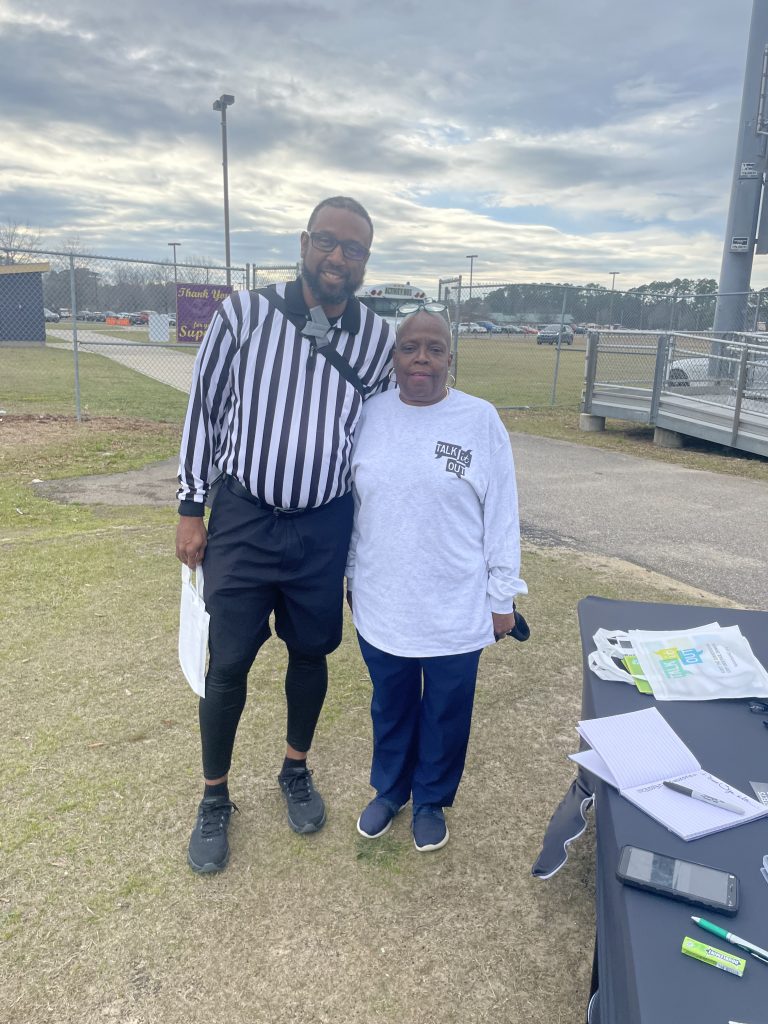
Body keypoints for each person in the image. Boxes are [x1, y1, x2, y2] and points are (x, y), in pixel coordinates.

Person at [176, 196, 393, 873]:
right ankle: (215, 797)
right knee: (229, 663)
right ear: (304, 243)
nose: (337, 257)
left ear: (364, 260)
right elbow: (205, 409)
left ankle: (295, 768)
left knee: (311, 651)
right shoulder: (244, 314)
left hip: (324, 523)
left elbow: (381, 435)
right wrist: (190, 506)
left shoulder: (377, 339)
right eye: (327, 241)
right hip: (245, 517)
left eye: (353, 248)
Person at [345, 305, 527, 852]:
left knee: (446, 710)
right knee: (391, 703)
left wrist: (502, 597)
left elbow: (502, 515)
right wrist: (350, 576)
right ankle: (390, 790)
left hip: (456, 603)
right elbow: (353, 508)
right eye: (410, 348)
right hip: (384, 598)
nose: (421, 358)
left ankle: (430, 799)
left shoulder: (479, 420)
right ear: (394, 358)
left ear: (451, 358)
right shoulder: (368, 416)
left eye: (434, 348)